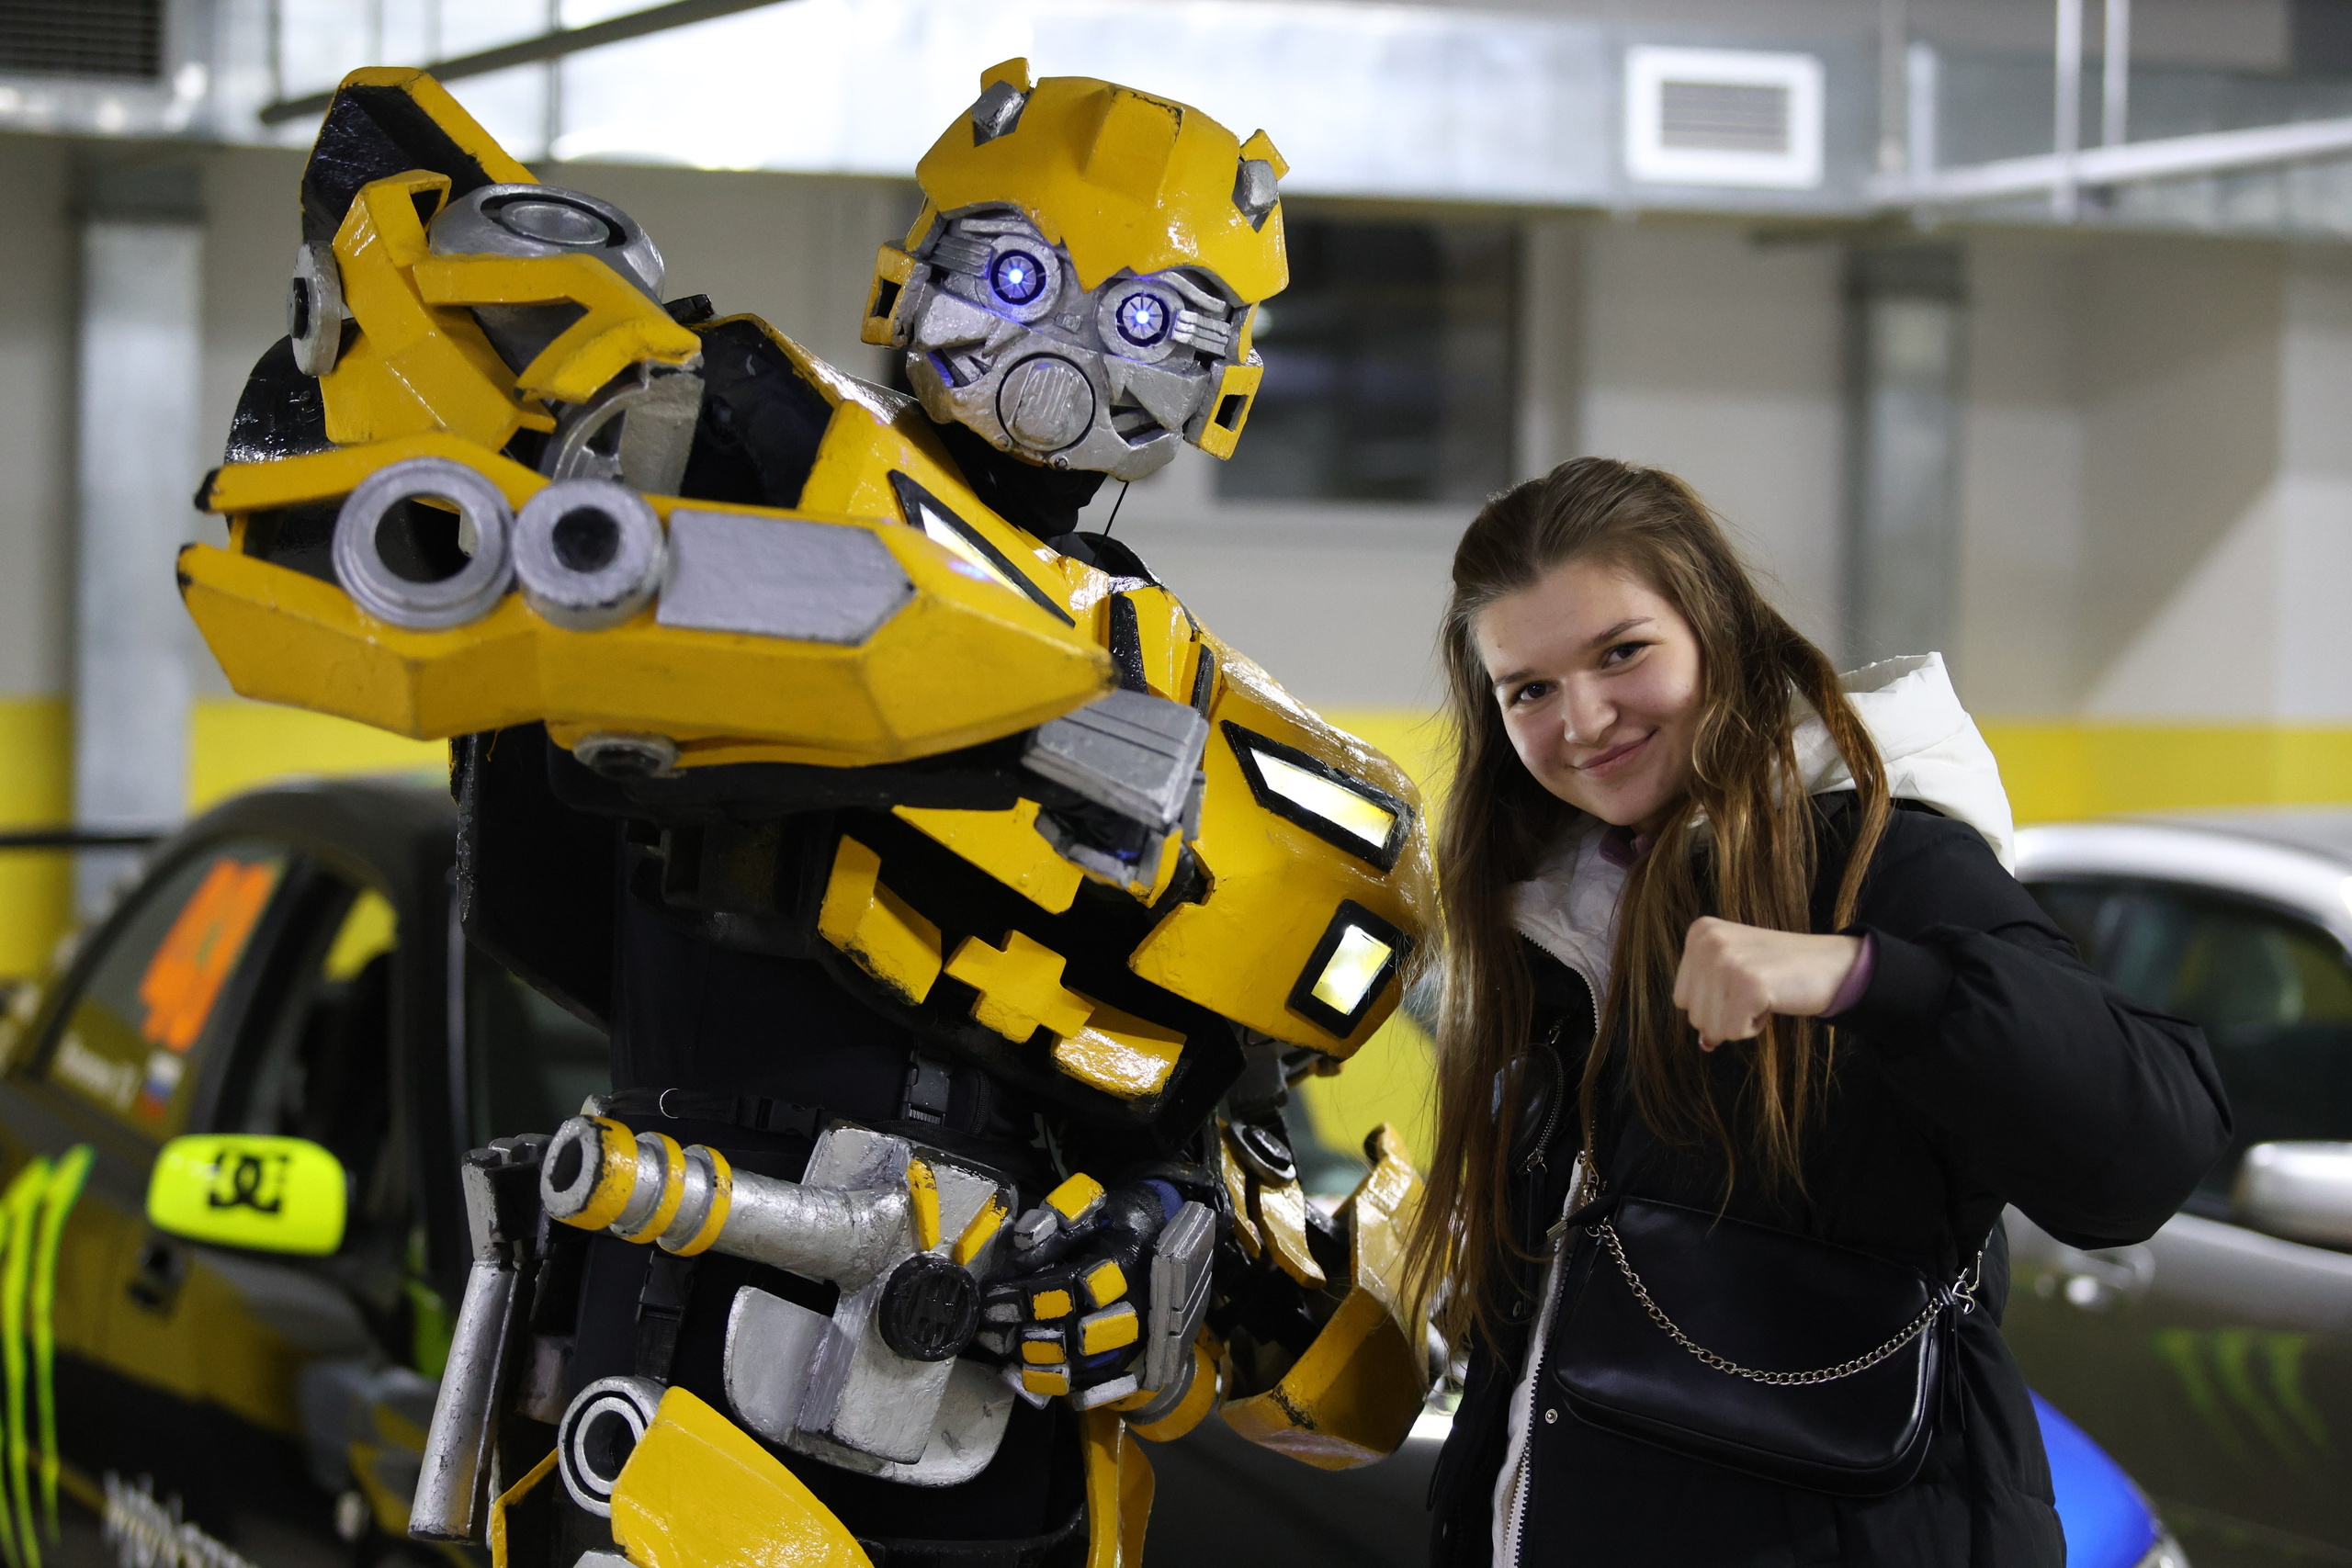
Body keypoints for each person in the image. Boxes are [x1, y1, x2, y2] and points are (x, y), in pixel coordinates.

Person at [188, 63, 1434, 1568]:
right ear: (916, 282)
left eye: (1151, 319)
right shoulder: (722, 478)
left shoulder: (1182, 706)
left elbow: (1201, 1100)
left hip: (996, 1417)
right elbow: (543, 869)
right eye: (1022, 276)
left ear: (1219, 377)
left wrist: (1157, 1221)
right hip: (699, 1344)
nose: (1063, 351)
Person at [1413, 457, 2229, 1567]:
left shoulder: (1880, 855)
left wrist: (1864, 978)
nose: (1585, 719)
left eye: (1621, 653)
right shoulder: (1551, 927)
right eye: (1529, 690)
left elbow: (2147, 1146)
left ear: (1718, 630)